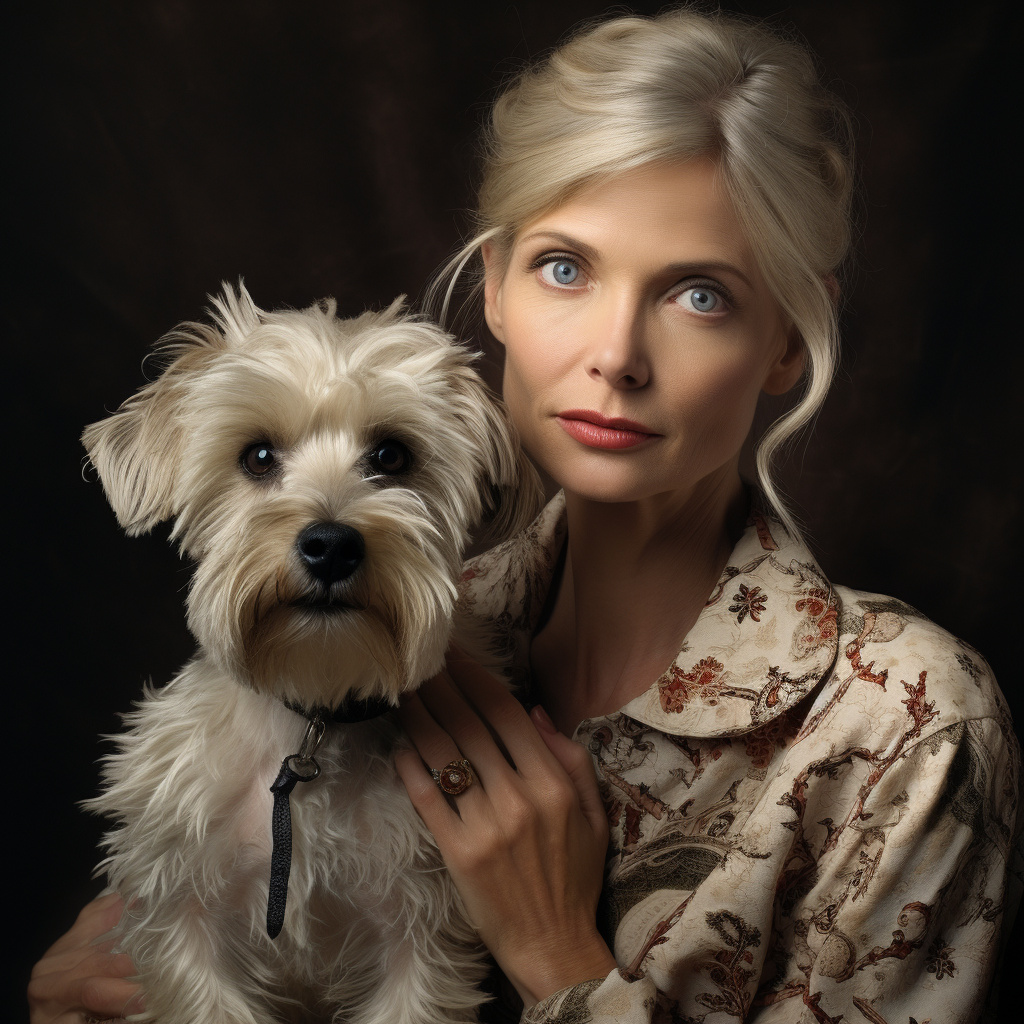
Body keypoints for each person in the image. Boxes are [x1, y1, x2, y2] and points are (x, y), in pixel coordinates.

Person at [29, 6, 1019, 1023]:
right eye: (564, 267)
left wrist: (558, 957)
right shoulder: (393, 629)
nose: (616, 354)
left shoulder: (907, 723)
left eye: (700, 295)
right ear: (495, 285)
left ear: (785, 341)